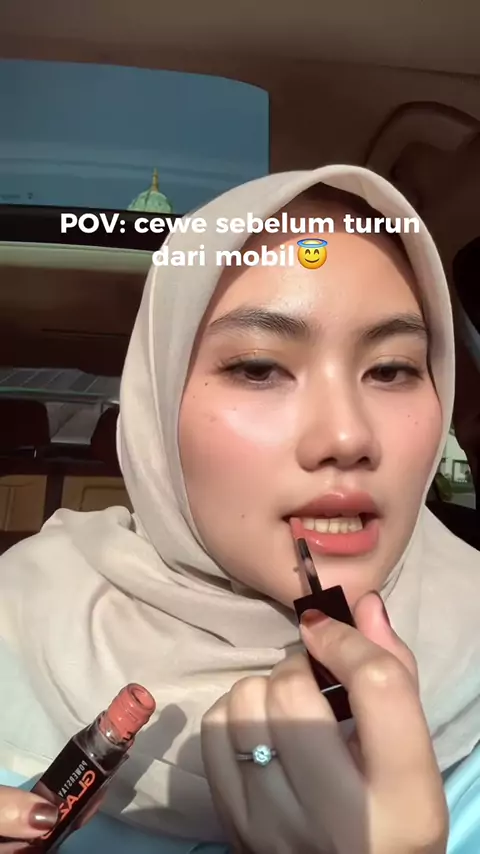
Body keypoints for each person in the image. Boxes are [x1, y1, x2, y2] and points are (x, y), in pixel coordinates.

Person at [1, 165, 480, 853]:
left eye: (391, 369)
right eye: (259, 368)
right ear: (157, 414)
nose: (347, 436)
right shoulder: (15, 623)